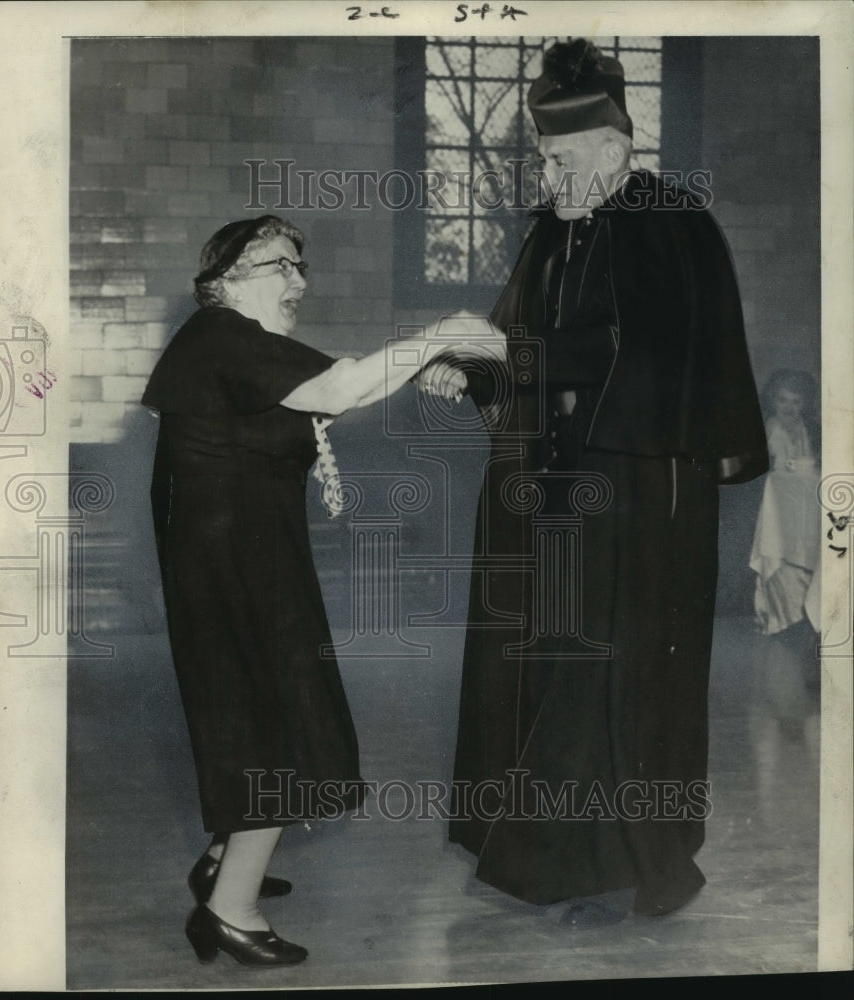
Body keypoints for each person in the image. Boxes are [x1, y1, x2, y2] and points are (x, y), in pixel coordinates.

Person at [424, 39, 769, 921]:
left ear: (616, 151)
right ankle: (560, 855)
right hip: (561, 493)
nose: (548, 173)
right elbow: (517, 343)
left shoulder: (667, 219)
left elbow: (647, 356)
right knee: (557, 669)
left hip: (641, 495)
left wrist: (513, 352)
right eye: (543, 158)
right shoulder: (553, 230)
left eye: (559, 157)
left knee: (618, 682)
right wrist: (467, 371)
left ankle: (623, 860)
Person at [142, 214, 505, 966]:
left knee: (252, 714)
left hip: (240, 561)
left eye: (300, 267)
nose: (298, 281)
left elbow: (335, 397)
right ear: (226, 279)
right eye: (280, 265)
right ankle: (231, 911)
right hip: (236, 568)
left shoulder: (233, 349)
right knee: (271, 720)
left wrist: (422, 360)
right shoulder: (222, 337)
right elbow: (339, 384)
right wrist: (442, 334)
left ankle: (224, 863)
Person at [749, 369, 821, 636]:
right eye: (783, 401)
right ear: (772, 401)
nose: (789, 408)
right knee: (778, 541)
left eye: (796, 402)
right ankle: (776, 613)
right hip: (769, 495)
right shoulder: (770, 427)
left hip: (800, 492)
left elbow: (810, 459)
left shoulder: (808, 428)